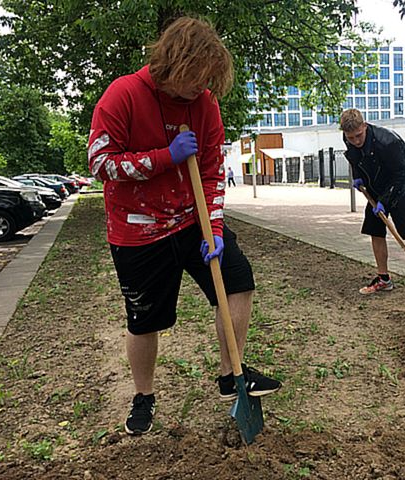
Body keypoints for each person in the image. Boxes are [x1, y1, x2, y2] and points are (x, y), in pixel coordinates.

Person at [88, 16, 281, 436]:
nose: (202, 87)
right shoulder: (121, 96)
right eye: (197, 77)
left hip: (191, 220)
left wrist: (212, 228)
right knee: (145, 320)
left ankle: (232, 375)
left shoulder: (205, 104)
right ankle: (144, 396)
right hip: (137, 230)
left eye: (209, 79)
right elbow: (101, 164)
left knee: (238, 281)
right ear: (175, 62)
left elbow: (211, 173)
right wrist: (165, 156)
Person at [340, 108, 405, 308]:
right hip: (375, 190)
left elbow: (401, 174)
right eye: (351, 138)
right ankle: (384, 279)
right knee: (375, 231)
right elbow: (354, 157)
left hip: (402, 187)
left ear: (364, 126)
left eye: (359, 135)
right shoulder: (348, 137)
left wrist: (386, 200)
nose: (356, 141)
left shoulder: (388, 142)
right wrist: (358, 176)